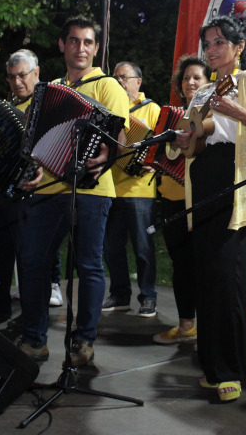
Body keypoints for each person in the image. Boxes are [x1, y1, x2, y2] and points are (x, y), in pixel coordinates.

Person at [172, 16, 246, 402]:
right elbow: (188, 146)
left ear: (238, 47)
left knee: (230, 283)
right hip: (203, 189)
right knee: (207, 280)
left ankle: (231, 370)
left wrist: (237, 113)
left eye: (220, 42)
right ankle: (211, 367)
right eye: (208, 44)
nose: (212, 49)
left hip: (234, 189)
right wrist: (185, 137)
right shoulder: (201, 93)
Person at [15, 15, 129, 366]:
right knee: (33, 262)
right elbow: (36, 143)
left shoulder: (108, 86)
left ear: (96, 48)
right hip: (48, 188)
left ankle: (83, 341)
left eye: (89, 42)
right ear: (63, 44)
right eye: (75, 41)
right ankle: (34, 339)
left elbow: (120, 137)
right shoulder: (47, 90)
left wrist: (111, 150)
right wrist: (32, 171)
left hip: (92, 190)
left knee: (89, 266)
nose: (82, 48)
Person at [0, 49, 64, 320]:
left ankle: (33, 315)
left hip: (34, 196)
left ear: (36, 73)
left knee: (30, 257)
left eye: (22, 75)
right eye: (11, 77)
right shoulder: (1, 109)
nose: (17, 81)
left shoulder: (48, 107)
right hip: (2, 191)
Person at [152, 55, 210, 345]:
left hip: (199, 200)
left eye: (197, 78)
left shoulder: (213, 115)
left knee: (204, 263)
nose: (191, 83)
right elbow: (159, 158)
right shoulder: (170, 115)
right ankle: (187, 324)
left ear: (208, 82)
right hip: (171, 198)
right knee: (180, 262)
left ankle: (209, 328)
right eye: (186, 78)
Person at [101, 61, 160, 317]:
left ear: (138, 81)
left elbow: (164, 146)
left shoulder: (153, 110)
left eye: (124, 77)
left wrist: (155, 164)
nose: (120, 82)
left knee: (143, 248)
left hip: (140, 192)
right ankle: (119, 294)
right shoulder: (111, 109)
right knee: (112, 248)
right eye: (116, 78)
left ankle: (148, 297)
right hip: (111, 188)